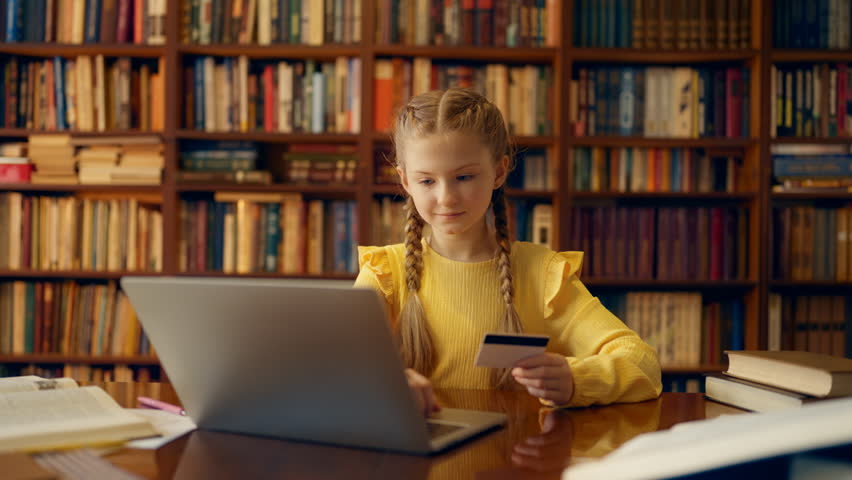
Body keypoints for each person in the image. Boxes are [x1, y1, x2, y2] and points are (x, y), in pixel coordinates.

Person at [355, 88, 661, 415]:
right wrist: (384, 383)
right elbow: (334, 368)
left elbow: (643, 363)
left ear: (499, 172)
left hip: (515, 446)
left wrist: (576, 379)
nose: (446, 198)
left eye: (464, 177)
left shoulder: (543, 275)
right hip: (417, 447)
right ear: (405, 181)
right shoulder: (384, 274)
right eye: (427, 181)